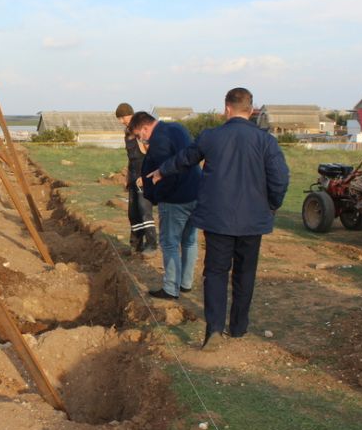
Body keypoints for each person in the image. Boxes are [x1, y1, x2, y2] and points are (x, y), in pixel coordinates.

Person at [148, 88, 289, 348]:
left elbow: (185, 159)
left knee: (215, 272)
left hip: (218, 220)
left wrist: (162, 171)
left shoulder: (211, 137)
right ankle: (238, 327)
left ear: (227, 109)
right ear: (250, 109)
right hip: (252, 221)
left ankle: (214, 330)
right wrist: (271, 205)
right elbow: (280, 178)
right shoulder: (265, 141)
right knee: (245, 273)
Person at [127, 111, 200, 300]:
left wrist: (159, 197)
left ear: (145, 127)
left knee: (169, 243)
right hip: (195, 192)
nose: (140, 139)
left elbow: (165, 174)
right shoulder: (177, 128)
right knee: (189, 240)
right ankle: (185, 283)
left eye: (138, 135)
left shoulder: (159, 140)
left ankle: (170, 289)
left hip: (176, 199)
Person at [115, 103, 157, 254]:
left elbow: (151, 155)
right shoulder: (127, 133)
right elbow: (130, 159)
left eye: (122, 117)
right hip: (133, 175)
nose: (121, 121)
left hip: (143, 176)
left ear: (130, 115)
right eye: (119, 118)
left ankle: (151, 244)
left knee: (144, 210)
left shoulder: (140, 133)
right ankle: (136, 245)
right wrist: (128, 177)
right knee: (133, 213)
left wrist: (145, 176)